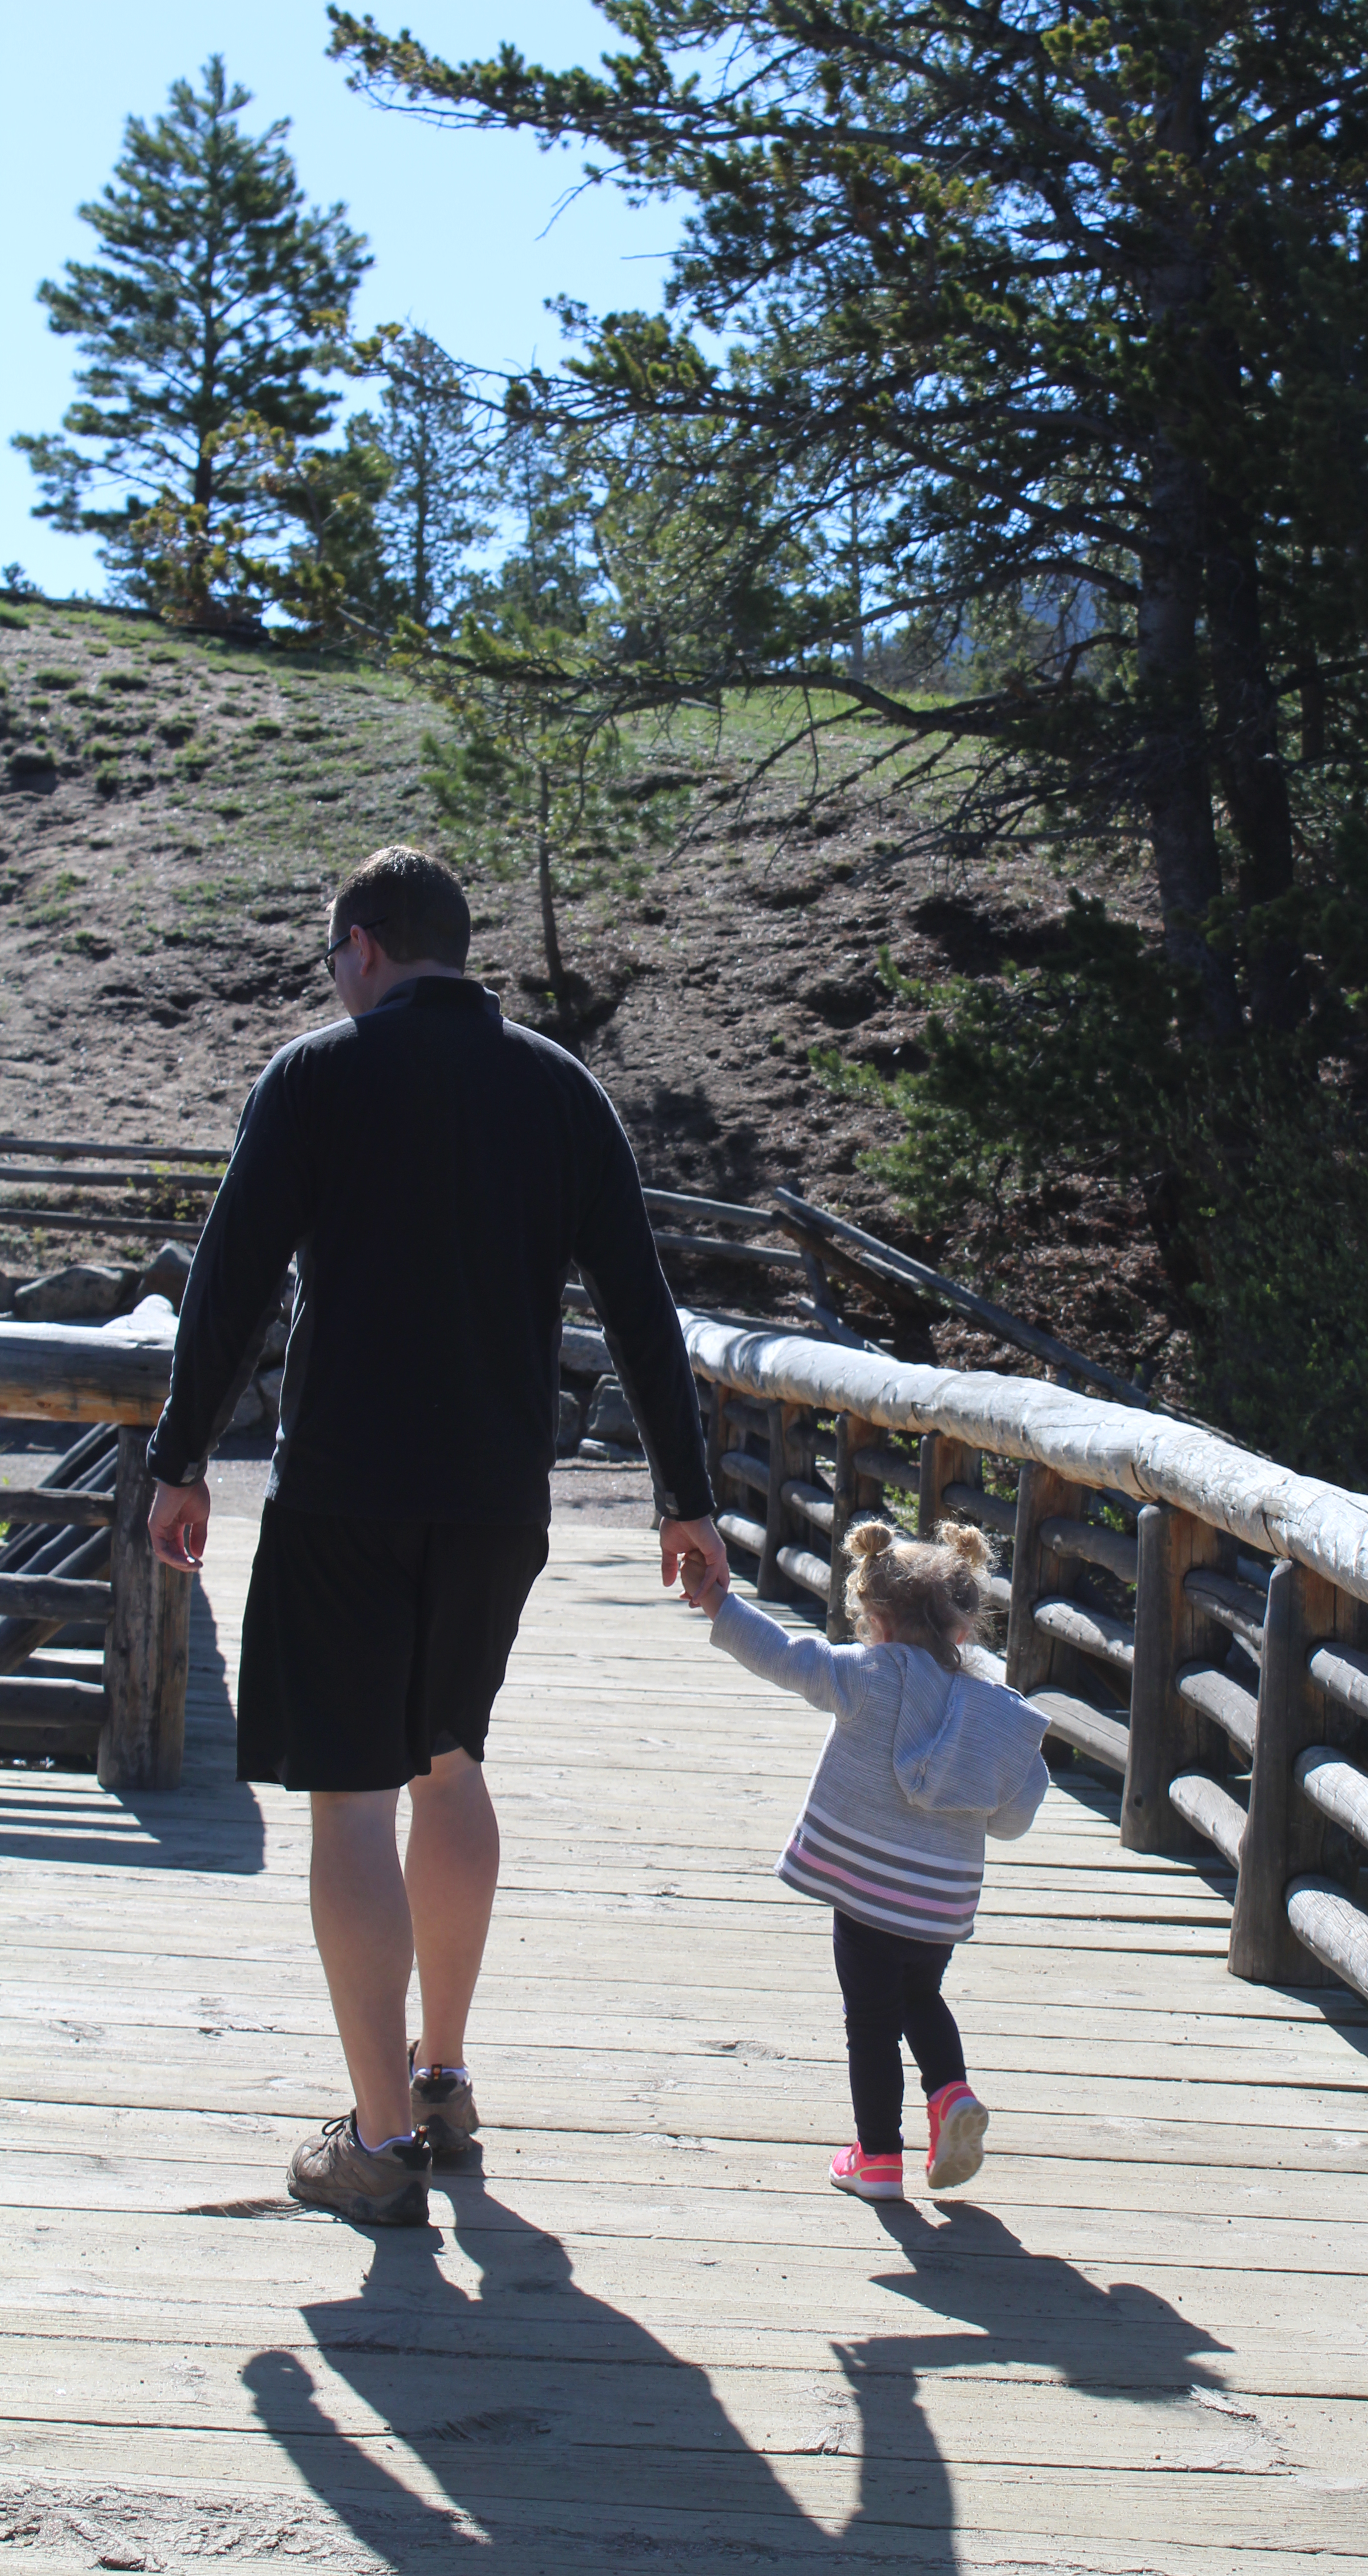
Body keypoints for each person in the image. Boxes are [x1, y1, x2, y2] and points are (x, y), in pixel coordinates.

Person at [145, 845, 727, 2226]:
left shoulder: (316, 1077)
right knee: (449, 1762)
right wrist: (685, 1496)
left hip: (344, 1489)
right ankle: (444, 2077)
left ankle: (380, 2142)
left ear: (363, 945)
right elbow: (641, 1305)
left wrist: (180, 1460)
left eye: (331, 959)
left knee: (351, 1794)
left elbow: (230, 1284)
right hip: (496, 1500)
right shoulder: (561, 1091)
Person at [682, 1517, 1048, 2200]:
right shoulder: (992, 1710)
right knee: (920, 1999)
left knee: (872, 2025)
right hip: (940, 1905)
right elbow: (1014, 1815)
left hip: (867, 1894)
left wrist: (718, 1603)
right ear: (961, 1630)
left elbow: (783, 1655)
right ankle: (951, 2093)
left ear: (876, 1620)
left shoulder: (865, 1674)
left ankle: (878, 2159)